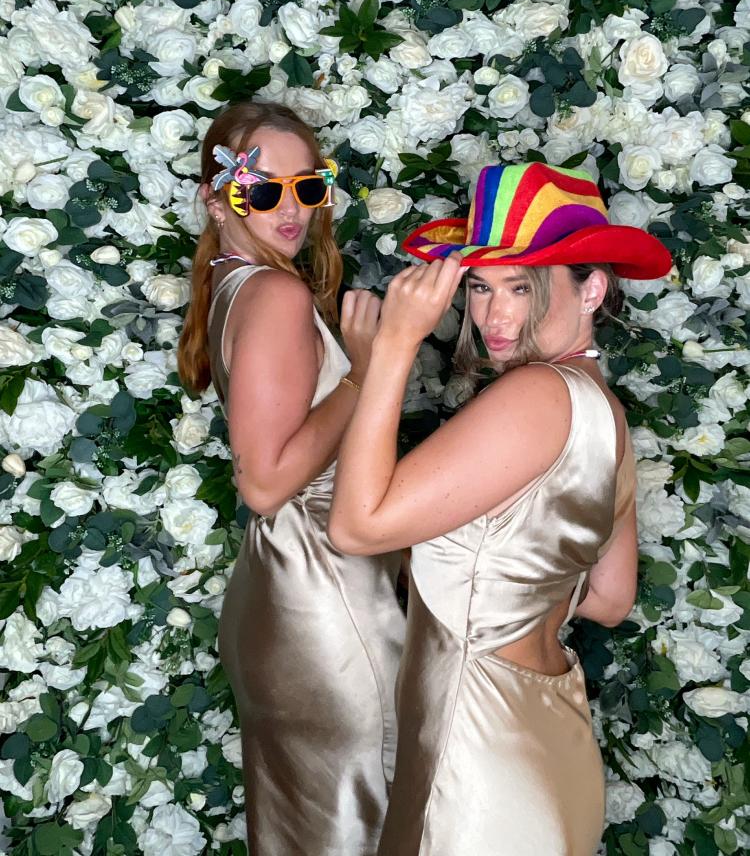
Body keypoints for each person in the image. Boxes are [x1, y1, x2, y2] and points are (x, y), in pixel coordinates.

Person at [328, 161, 672, 856]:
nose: (494, 315)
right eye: (481, 287)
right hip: (550, 741)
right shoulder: (604, 410)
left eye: (522, 286)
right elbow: (610, 599)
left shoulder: (535, 395)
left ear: (592, 289)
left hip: (476, 757)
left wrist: (392, 346)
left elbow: (356, 528)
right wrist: (501, 578)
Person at [177, 101, 405, 855]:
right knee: (364, 823)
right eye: (263, 189)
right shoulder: (275, 295)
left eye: (307, 188)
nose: (291, 209)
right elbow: (265, 484)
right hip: (325, 593)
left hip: (294, 585)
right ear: (217, 199)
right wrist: (364, 374)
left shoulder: (237, 286)